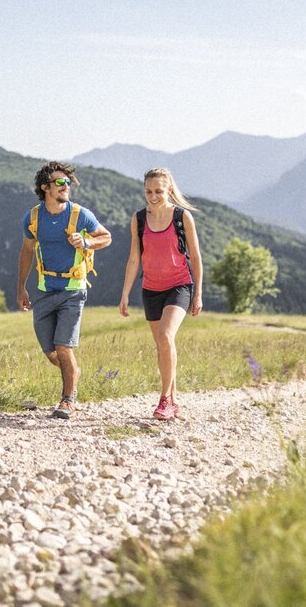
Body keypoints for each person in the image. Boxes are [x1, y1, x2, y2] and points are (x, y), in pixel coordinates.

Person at [17, 161, 112, 419]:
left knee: (63, 346)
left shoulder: (80, 214)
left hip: (73, 289)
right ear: (45, 187)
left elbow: (106, 237)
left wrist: (87, 241)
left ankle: (68, 400)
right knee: (51, 352)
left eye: (68, 182)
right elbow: (26, 251)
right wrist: (21, 287)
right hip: (44, 290)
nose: (66, 186)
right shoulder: (33, 218)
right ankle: (73, 373)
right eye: (60, 182)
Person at [118, 167, 203, 421]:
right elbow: (135, 258)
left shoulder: (182, 217)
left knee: (166, 336)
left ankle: (164, 400)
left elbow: (196, 257)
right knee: (162, 346)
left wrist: (198, 293)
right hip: (151, 289)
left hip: (179, 286)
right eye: (148, 191)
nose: (153, 196)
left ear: (168, 190)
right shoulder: (139, 219)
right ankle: (173, 402)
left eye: (158, 191)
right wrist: (125, 294)